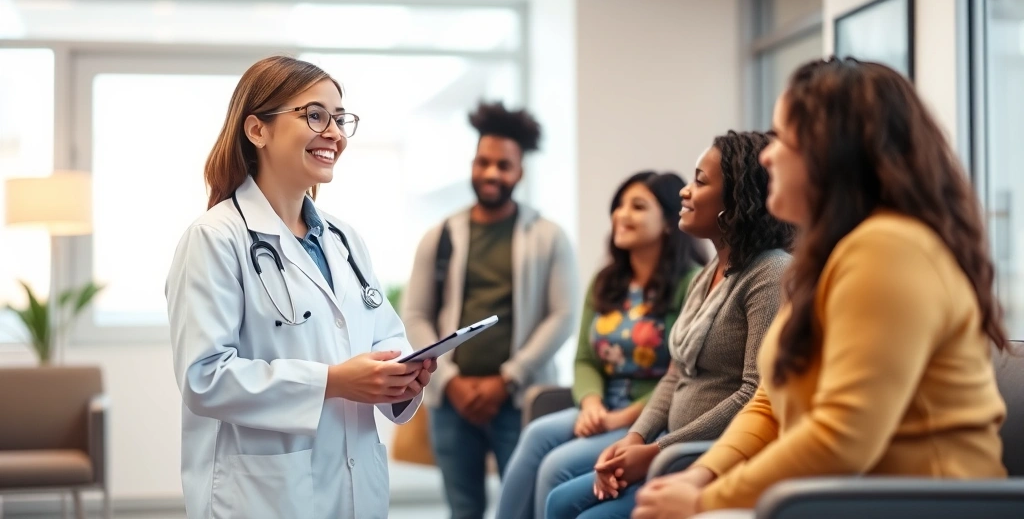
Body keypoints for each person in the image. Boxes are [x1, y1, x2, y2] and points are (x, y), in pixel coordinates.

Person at [632, 58, 1009, 519]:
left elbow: (841, 436)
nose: (767, 156)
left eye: (784, 140)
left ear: (832, 156)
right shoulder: (828, 257)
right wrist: (702, 473)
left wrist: (706, 501)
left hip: (916, 506)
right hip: (839, 498)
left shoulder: (888, 249)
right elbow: (770, 401)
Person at [166, 56, 435, 519]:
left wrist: (402, 376)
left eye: (339, 117)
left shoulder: (345, 239)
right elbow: (204, 378)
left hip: (356, 482)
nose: (335, 133)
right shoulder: (214, 238)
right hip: (265, 493)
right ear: (257, 130)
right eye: (315, 115)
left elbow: (383, 333)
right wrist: (333, 382)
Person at [545, 131, 795, 519]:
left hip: (703, 457)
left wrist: (656, 452)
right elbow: (675, 373)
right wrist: (634, 438)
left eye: (700, 181)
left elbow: (753, 393)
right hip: (667, 446)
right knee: (558, 501)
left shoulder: (770, 272)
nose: (684, 191)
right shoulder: (711, 272)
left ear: (734, 201)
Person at [495, 171, 709, 519]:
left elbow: (684, 376)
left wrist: (620, 418)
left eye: (638, 206)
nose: (621, 215)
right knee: (536, 434)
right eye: (619, 205)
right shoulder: (606, 281)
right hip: (601, 408)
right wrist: (592, 405)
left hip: (650, 419)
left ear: (670, 222)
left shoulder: (693, 284)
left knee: (556, 466)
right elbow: (584, 359)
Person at [403, 101, 579, 519]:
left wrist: (508, 378)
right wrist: (451, 381)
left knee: (522, 510)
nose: (491, 173)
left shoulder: (548, 236)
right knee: (463, 510)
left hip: (519, 401)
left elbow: (563, 316)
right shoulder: (440, 235)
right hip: (452, 401)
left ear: (519, 171)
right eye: (484, 162)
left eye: (503, 165)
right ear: (472, 163)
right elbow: (414, 315)